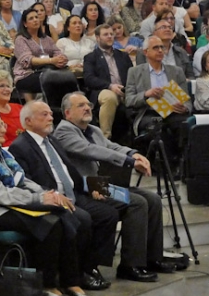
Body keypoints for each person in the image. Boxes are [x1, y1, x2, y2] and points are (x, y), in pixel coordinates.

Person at [0, 109, 94, 296]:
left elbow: (23, 181)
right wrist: (39, 198)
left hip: (16, 206)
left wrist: (49, 194)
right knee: (50, 223)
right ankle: (47, 286)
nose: (2, 129)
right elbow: (0, 194)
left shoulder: (1, 154)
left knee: (67, 216)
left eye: (3, 124)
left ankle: (70, 281)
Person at [54, 92, 176, 280]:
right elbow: (92, 150)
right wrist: (128, 161)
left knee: (153, 199)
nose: (87, 108)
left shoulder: (92, 130)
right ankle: (130, 265)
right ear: (68, 113)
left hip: (100, 184)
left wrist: (133, 153)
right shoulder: (64, 131)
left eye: (88, 104)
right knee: (136, 203)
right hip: (85, 187)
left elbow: (111, 146)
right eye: (81, 105)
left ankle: (152, 258)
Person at [9, 101, 120, 290]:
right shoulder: (20, 147)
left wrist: (91, 188)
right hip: (54, 197)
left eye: (50, 114)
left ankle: (94, 265)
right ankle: (80, 273)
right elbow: (27, 182)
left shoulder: (53, 140)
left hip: (78, 190)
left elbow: (71, 172)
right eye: (44, 115)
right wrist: (52, 195)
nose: (51, 117)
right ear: (28, 121)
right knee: (84, 218)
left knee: (117, 209)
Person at [126, 35, 191, 159]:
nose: (160, 50)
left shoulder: (176, 71)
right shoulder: (134, 72)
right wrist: (146, 94)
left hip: (173, 112)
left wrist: (185, 108)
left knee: (183, 124)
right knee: (158, 127)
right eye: (156, 48)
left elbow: (187, 100)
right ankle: (165, 166)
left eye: (162, 47)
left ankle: (183, 164)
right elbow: (129, 100)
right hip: (148, 113)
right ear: (146, 52)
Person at [83, 24, 133, 139]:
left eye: (111, 34)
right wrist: (110, 86)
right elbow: (89, 79)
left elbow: (131, 75)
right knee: (110, 97)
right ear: (97, 38)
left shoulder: (123, 55)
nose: (110, 36)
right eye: (106, 34)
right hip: (103, 90)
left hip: (124, 90)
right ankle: (105, 138)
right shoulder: (91, 57)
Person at [13, 8, 67, 100]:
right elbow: (28, 60)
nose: (35, 20)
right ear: (25, 24)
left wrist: (61, 59)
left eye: (36, 17)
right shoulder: (21, 39)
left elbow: (57, 52)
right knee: (53, 79)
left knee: (67, 77)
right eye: (31, 18)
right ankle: (50, 107)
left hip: (46, 71)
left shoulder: (46, 39)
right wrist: (51, 60)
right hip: (26, 75)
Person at [137, 12, 193, 79]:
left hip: (178, 86)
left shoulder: (181, 52)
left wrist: (186, 81)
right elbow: (140, 77)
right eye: (163, 27)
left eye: (170, 27)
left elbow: (191, 75)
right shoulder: (144, 52)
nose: (167, 29)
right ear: (154, 33)